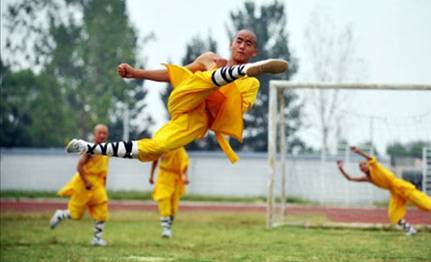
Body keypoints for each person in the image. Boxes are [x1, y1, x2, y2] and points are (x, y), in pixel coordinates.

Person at [65, 29, 288, 164]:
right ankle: (230, 74)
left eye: (248, 44)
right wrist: (136, 73)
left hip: (196, 120)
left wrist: (223, 86)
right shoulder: (209, 58)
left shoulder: (252, 83)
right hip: (185, 98)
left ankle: (87, 147)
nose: (242, 46)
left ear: (254, 53)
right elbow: (174, 74)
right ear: (231, 44)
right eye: (239, 40)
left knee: (156, 147)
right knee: (204, 80)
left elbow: (233, 112)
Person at [336, 146, 431, 236]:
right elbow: (350, 178)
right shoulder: (368, 178)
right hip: (394, 191)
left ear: (368, 165)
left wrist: (358, 151)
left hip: (399, 185)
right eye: (360, 167)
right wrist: (341, 168)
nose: (362, 167)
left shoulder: (374, 166)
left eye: (363, 164)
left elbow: (370, 158)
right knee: (393, 214)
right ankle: (410, 229)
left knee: (421, 201)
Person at [50, 124, 111, 246]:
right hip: (84, 184)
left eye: (105, 133)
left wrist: (104, 183)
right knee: (75, 214)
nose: (102, 135)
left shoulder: (107, 150)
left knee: (102, 211)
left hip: (98, 185)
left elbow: (104, 169)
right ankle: (60, 214)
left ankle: (97, 239)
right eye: (100, 133)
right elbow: (79, 166)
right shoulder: (90, 149)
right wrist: (86, 181)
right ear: (94, 135)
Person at [149, 147, 189, 238]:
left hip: (176, 178)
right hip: (164, 176)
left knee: (173, 206)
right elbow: (155, 160)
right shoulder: (163, 146)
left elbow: (185, 163)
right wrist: (151, 175)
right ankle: (166, 229)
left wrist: (184, 176)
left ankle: (168, 226)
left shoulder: (180, 149)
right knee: (163, 200)